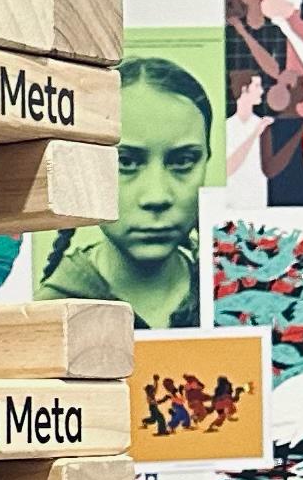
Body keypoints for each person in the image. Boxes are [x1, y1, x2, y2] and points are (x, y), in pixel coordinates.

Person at [38, 51, 218, 328]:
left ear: (206, 160)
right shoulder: (49, 318)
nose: (156, 196)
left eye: (183, 161)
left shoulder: (241, 303)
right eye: (126, 162)